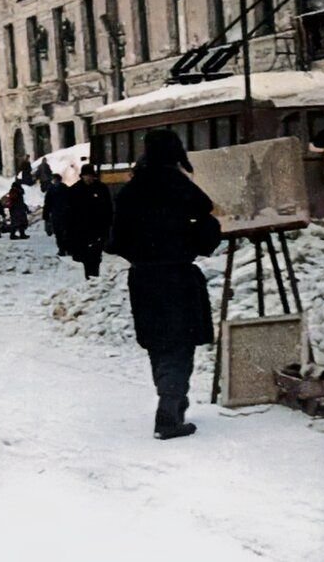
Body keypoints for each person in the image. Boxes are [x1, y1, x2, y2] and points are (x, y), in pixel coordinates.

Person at [109, 129, 221, 440]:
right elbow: (207, 225)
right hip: (177, 276)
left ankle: (172, 401)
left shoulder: (130, 191)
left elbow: (116, 241)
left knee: (158, 343)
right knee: (180, 343)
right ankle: (169, 411)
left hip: (143, 279)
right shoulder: (181, 187)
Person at [67, 164, 113, 279]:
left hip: (98, 228)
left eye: (90, 176)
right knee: (84, 256)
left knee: (95, 256)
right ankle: (89, 278)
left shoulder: (101, 189)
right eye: (86, 176)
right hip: (81, 230)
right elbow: (69, 212)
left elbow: (108, 209)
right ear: (82, 176)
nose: (88, 178)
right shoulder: (74, 190)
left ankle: (94, 277)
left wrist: (107, 226)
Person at [43, 173, 70, 256]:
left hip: (58, 214)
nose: (54, 181)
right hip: (62, 214)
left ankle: (62, 249)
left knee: (60, 233)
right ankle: (65, 249)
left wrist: (46, 215)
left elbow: (47, 203)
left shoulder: (51, 189)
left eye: (55, 179)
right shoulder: (65, 188)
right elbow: (47, 203)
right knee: (62, 232)